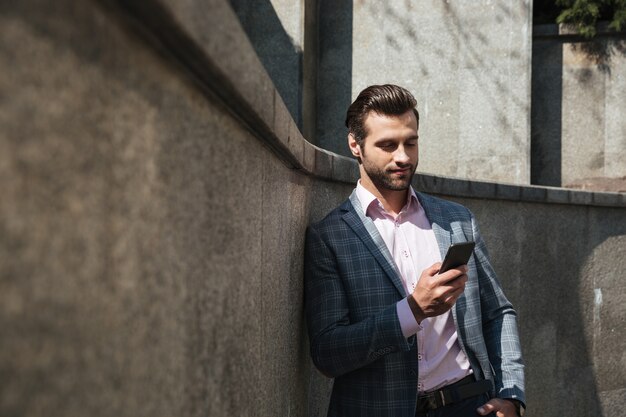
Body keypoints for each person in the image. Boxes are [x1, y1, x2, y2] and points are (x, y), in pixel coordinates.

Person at [304, 84, 525, 417]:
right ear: (355, 145)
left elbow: (497, 312)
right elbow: (328, 353)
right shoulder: (330, 237)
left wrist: (511, 394)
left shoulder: (456, 221)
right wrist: (412, 311)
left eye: (411, 142)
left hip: (468, 404)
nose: (403, 157)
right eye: (388, 145)